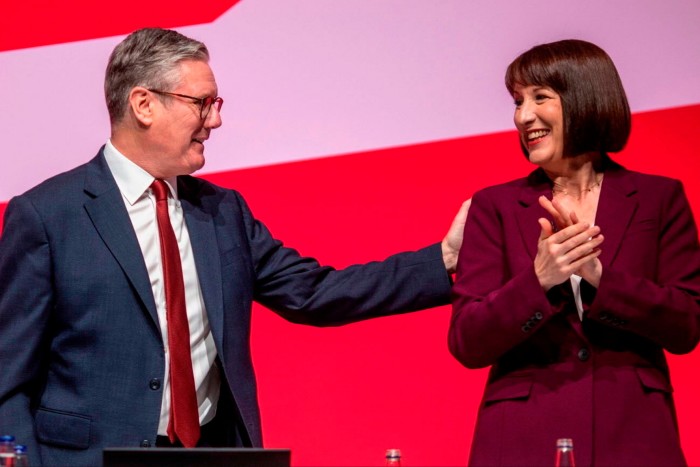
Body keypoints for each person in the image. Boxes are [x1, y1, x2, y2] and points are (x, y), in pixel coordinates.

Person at [0, 28, 469, 467]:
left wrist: (444, 260)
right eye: (202, 103)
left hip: (213, 450)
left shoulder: (223, 213)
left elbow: (317, 292)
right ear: (143, 104)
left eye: (216, 102)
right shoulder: (48, 216)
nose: (216, 119)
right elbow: (8, 379)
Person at [449, 39, 700, 466]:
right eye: (517, 101)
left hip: (634, 434)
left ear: (585, 98)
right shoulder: (494, 206)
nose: (523, 116)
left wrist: (602, 279)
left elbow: (687, 326)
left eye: (540, 97)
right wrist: (539, 279)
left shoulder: (660, 198)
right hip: (522, 436)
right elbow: (467, 341)